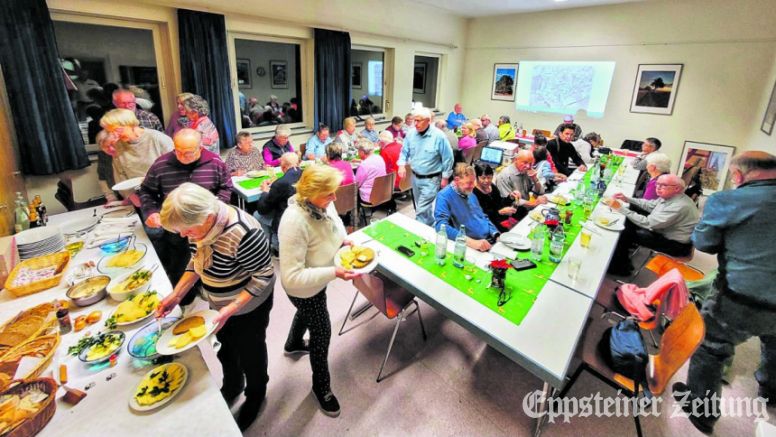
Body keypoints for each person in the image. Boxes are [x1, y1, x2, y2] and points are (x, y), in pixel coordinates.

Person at [671, 151, 776, 434]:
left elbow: (704, 242)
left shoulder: (728, 200)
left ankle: (701, 409)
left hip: (741, 295)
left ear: (739, 175)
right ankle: (771, 391)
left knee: (711, 348)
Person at [156, 183, 274, 431]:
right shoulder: (201, 231)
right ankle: (233, 385)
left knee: (251, 352)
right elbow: (196, 261)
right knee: (226, 349)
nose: (183, 235)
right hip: (218, 304)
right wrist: (177, 294)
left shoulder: (243, 231)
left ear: (207, 217)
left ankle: (256, 393)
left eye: (187, 230)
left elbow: (264, 277)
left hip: (248, 306)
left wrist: (230, 309)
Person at [278, 165, 360, 417]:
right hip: (304, 287)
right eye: (329, 194)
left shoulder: (323, 201)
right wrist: (333, 272)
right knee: (322, 332)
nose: (334, 198)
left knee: (308, 312)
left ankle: (292, 343)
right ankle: (321, 386)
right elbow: (292, 278)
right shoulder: (293, 221)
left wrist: (342, 240)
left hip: (317, 282)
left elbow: (332, 224)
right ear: (309, 193)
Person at [140, 128, 232, 285]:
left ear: (200, 148)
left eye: (188, 152)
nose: (182, 157)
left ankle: (207, 285)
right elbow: (146, 191)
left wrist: (217, 208)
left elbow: (226, 187)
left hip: (206, 225)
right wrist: (150, 211)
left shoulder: (215, 162)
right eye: (178, 151)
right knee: (180, 263)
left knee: (211, 260)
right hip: (177, 227)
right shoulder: (161, 164)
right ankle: (186, 297)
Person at [605, 174, 700, 276]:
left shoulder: (679, 206)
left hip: (676, 245)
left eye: (662, 185)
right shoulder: (672, 196)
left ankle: (620, 268)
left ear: (676, 188)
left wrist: (620, 208)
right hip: (667, 232)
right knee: (631, 214)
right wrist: (628, 199)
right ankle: (623, 256)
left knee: (625, 232)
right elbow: (650, 205)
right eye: (657, 184)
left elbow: (648, 223)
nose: (657, 188)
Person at [397, 107, 454, 226]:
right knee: (423, 208)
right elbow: (404, 151)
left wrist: (445, 177)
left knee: (420, 211)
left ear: (428, 120)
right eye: (414, 120)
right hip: (415, 177)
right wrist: (401, 165)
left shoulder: (439, 136)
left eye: (419, 121)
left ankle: (419, 234)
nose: (415, 124)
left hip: (432, 179)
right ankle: (431, 226)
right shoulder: (411, 134)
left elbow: (448, 158)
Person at [98, 109, 173, 198]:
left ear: (130, 124)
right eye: (110, 132)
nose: (115, 135)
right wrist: (132, 197)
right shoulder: (118, 146)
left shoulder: (158, 139)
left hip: (167, 193)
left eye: (117, 130)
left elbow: (175, 171)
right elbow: (121, 176)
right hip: (140, 196)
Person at [434, 164, 499, 252]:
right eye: (469, 183)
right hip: (472, 245)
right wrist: (472, 243)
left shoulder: (469, 192)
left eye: (473, 182)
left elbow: (483, 216)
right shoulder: (444, 196)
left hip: (489, 240)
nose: (473, 186)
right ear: (457, 180)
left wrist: (495, 234)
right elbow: (441, 226)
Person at [255, 153, 302, 255]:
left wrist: (265, 191)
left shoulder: (280, 183)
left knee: (257, 214)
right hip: (300, 219)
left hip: (284, 221)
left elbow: (263, 209)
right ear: (298, 163)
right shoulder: (306, 174)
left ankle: (270, 248)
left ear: (283, 167)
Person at [473, 163, 521, 232]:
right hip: (488, 224)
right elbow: (481, 214)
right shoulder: (474, 192)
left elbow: (500, 202)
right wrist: (500, 212)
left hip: (499, 218)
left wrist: (510, 197)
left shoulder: (492, 186)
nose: (486, 181)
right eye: (483, 178)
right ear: (476, 177)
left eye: (489, 177)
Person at [354, 138, 387, 203]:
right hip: (382, 191)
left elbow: (357, 184)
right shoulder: (379, 158)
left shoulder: (363, 165)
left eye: (358, 151)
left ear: (362, 152)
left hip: (369, 196)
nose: (358, 153)